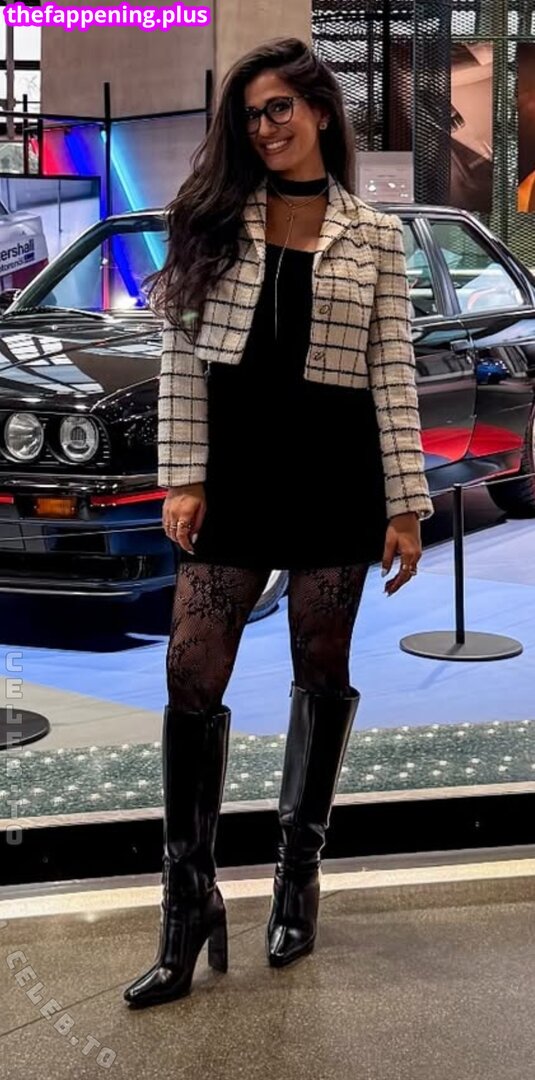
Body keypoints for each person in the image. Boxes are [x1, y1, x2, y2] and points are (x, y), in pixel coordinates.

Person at [124, 36, 433, 1010]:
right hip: (236, 479)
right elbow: (180, 359)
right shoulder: (211, 215)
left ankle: (298, 876)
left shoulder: (373, 236)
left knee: (319, 669)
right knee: (190, 673)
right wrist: (184, 477)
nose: (263, 128)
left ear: (319, 111)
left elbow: (391, 373)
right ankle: (188, 904)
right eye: (250, 114)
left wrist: (405, 504)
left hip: (336, 477)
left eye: (278, 109)